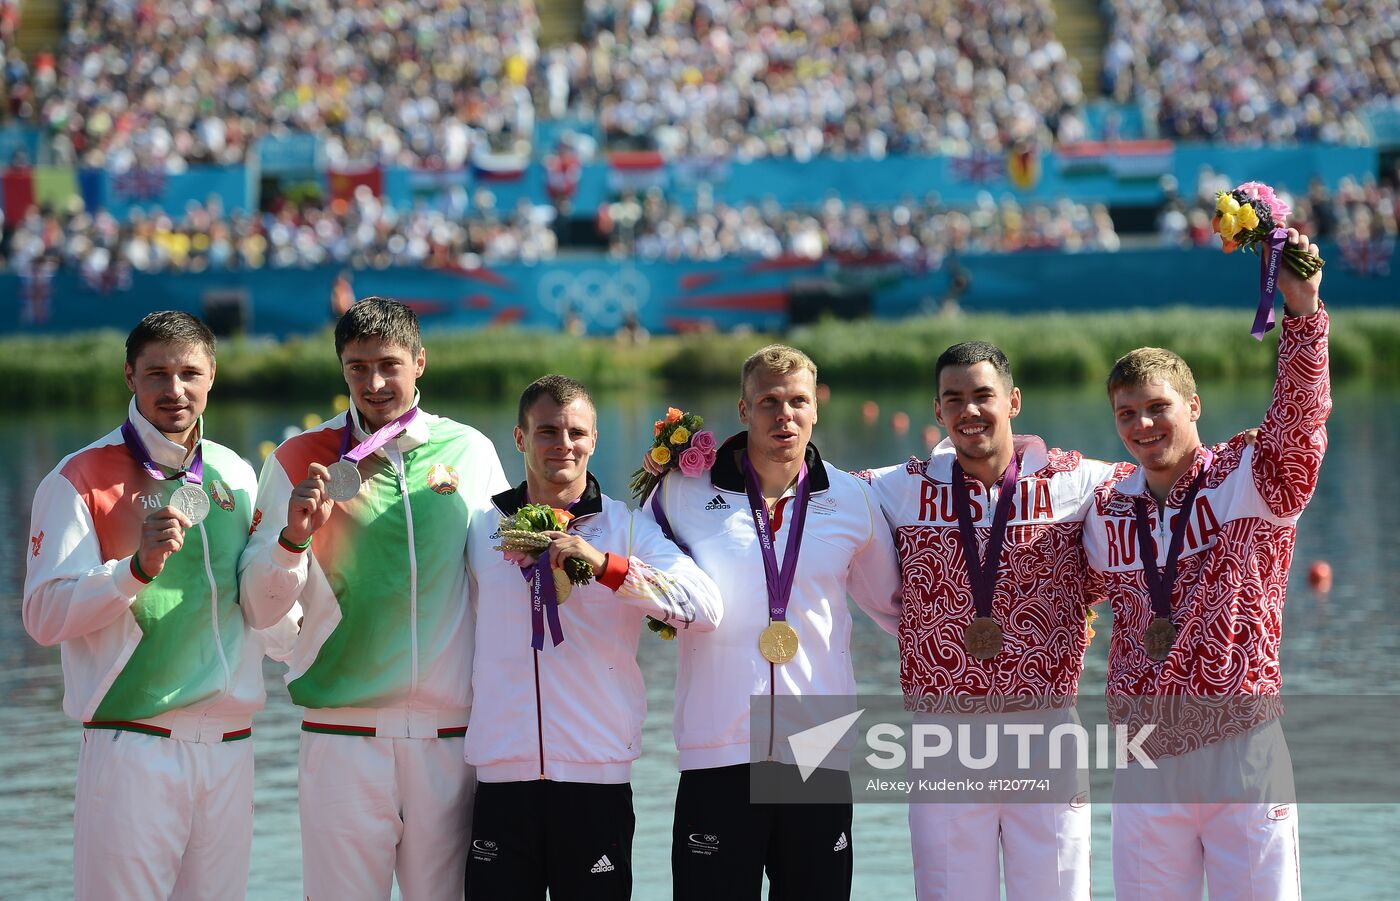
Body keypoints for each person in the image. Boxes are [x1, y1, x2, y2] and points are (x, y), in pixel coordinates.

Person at [1083, 228, 1328, 901]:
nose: (1143, 425)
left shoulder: (1252, 476)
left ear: (1193, 406)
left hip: (1240, 751)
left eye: (1158, 407)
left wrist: (1304, 311)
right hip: (1144, 761)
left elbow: (1300, 418)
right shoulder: (1106, 508)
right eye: (1126, 413)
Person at [239, 297, 508, 900]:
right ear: (342, 371)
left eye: (389, 364)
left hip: (451, 737)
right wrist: (292, 540)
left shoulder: (471, 451)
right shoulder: (297, 459)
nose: (375, 382)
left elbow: (499, 583)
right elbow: (258, 609)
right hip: (342, 735)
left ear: (419, 362)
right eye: (358, 368)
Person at [23, 311, 294, 899]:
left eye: (189, 374)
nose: (175, 390)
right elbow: (43, 616)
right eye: (157, 374)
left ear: (212, 377)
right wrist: (134, 570)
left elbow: (259, 607)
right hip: (133, 745)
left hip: (230, 747)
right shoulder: (78, 478)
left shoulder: (235, 473)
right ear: (130, 377)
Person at [641, 344, 903, 900]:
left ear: (816, 409)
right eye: (769, 401)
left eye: (797, 401)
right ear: (743, 410)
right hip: (720, 746)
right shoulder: (683, 492)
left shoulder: (853, 499)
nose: (784, 415)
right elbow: (638, 579)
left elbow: (899, 606)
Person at [861, 340, 1114, 900]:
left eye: (983, 396)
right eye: (954, 399)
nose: (969, 410)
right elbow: (807, 487)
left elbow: (1168, 470)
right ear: (937, 411)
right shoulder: (901, 485)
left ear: (1014, 401)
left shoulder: (1074, 480)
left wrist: (1223, 455)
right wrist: (698, 467)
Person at [464, 374, 722, 898]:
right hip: (500, 777)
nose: (563, 444)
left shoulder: (627, 529)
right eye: (547, 431)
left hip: (595, 780)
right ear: (519, 438)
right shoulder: (477, 527)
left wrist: (605, 567)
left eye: (576, 432)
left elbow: (706, 606)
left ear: (594, 440)